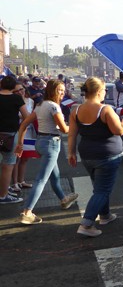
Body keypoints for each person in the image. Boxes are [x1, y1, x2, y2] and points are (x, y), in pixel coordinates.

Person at [67, 77, 123, 237]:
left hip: (87, 155)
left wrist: (71, 152)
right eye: (104, 90)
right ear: (98, 92)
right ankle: (86, 224)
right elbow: (119, 131)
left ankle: (105, 215)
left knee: (99, 187)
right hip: (107, 156)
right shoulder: (105, 110)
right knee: (102, 190)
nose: (105, 93)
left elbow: (71, 134)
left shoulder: (75, 110)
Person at [15, 80, 78, 225]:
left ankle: (63, 199)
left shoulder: (40, 105)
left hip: (41, 142)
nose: (62, 93)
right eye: (59, 90)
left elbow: (24, 124)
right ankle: (27, 212)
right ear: (52, 91)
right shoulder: (54, 107)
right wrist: (74, 123)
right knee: (41, 180)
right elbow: (63, 129)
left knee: (54, 175)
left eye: (63, 90)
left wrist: (20, 143)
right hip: (51, 144)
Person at [0, 76, 30, 204]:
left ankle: (3, 190)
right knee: (8, 165)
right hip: (10, 134)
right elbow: (26, 117)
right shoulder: (16, 98)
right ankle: (3, 195)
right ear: (13, 87)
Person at [11, 84, 38, 192]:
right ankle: (15, 183)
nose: (20, 92)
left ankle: (21, 181)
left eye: (21, 89)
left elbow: (32, 114)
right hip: (18, 131)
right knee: (16, 158)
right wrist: (24, 116)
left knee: (25, 158)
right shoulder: (12, 101)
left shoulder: (30, 101)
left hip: (29, 131)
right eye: (16, 91)